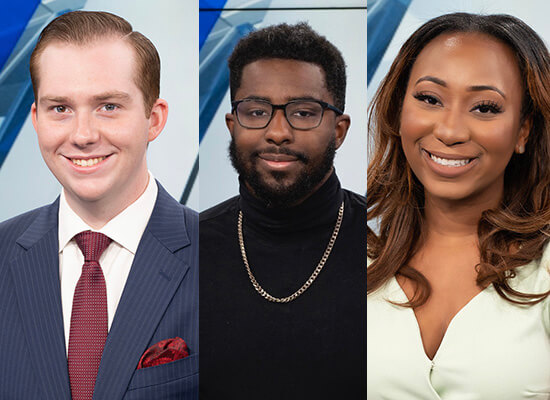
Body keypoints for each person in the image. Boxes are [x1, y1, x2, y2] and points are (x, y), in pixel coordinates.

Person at [0, 11, 198, 400]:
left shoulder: (218, 254)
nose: (83, 135)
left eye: (108, 106)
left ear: (153, 119)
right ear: (37, 119)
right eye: (61, 108)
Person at [367, 12, 550, 399]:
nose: (449, 131)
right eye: (429, 99)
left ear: (523, 130)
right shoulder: (344, 261)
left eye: (485, 107)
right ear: (399, 111)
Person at [200, 23, 367, 399]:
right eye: (256, 111)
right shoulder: (185, 248)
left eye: (304, 113)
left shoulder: (388, 241)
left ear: (339, 130)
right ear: (232, 124)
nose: (277, 132)